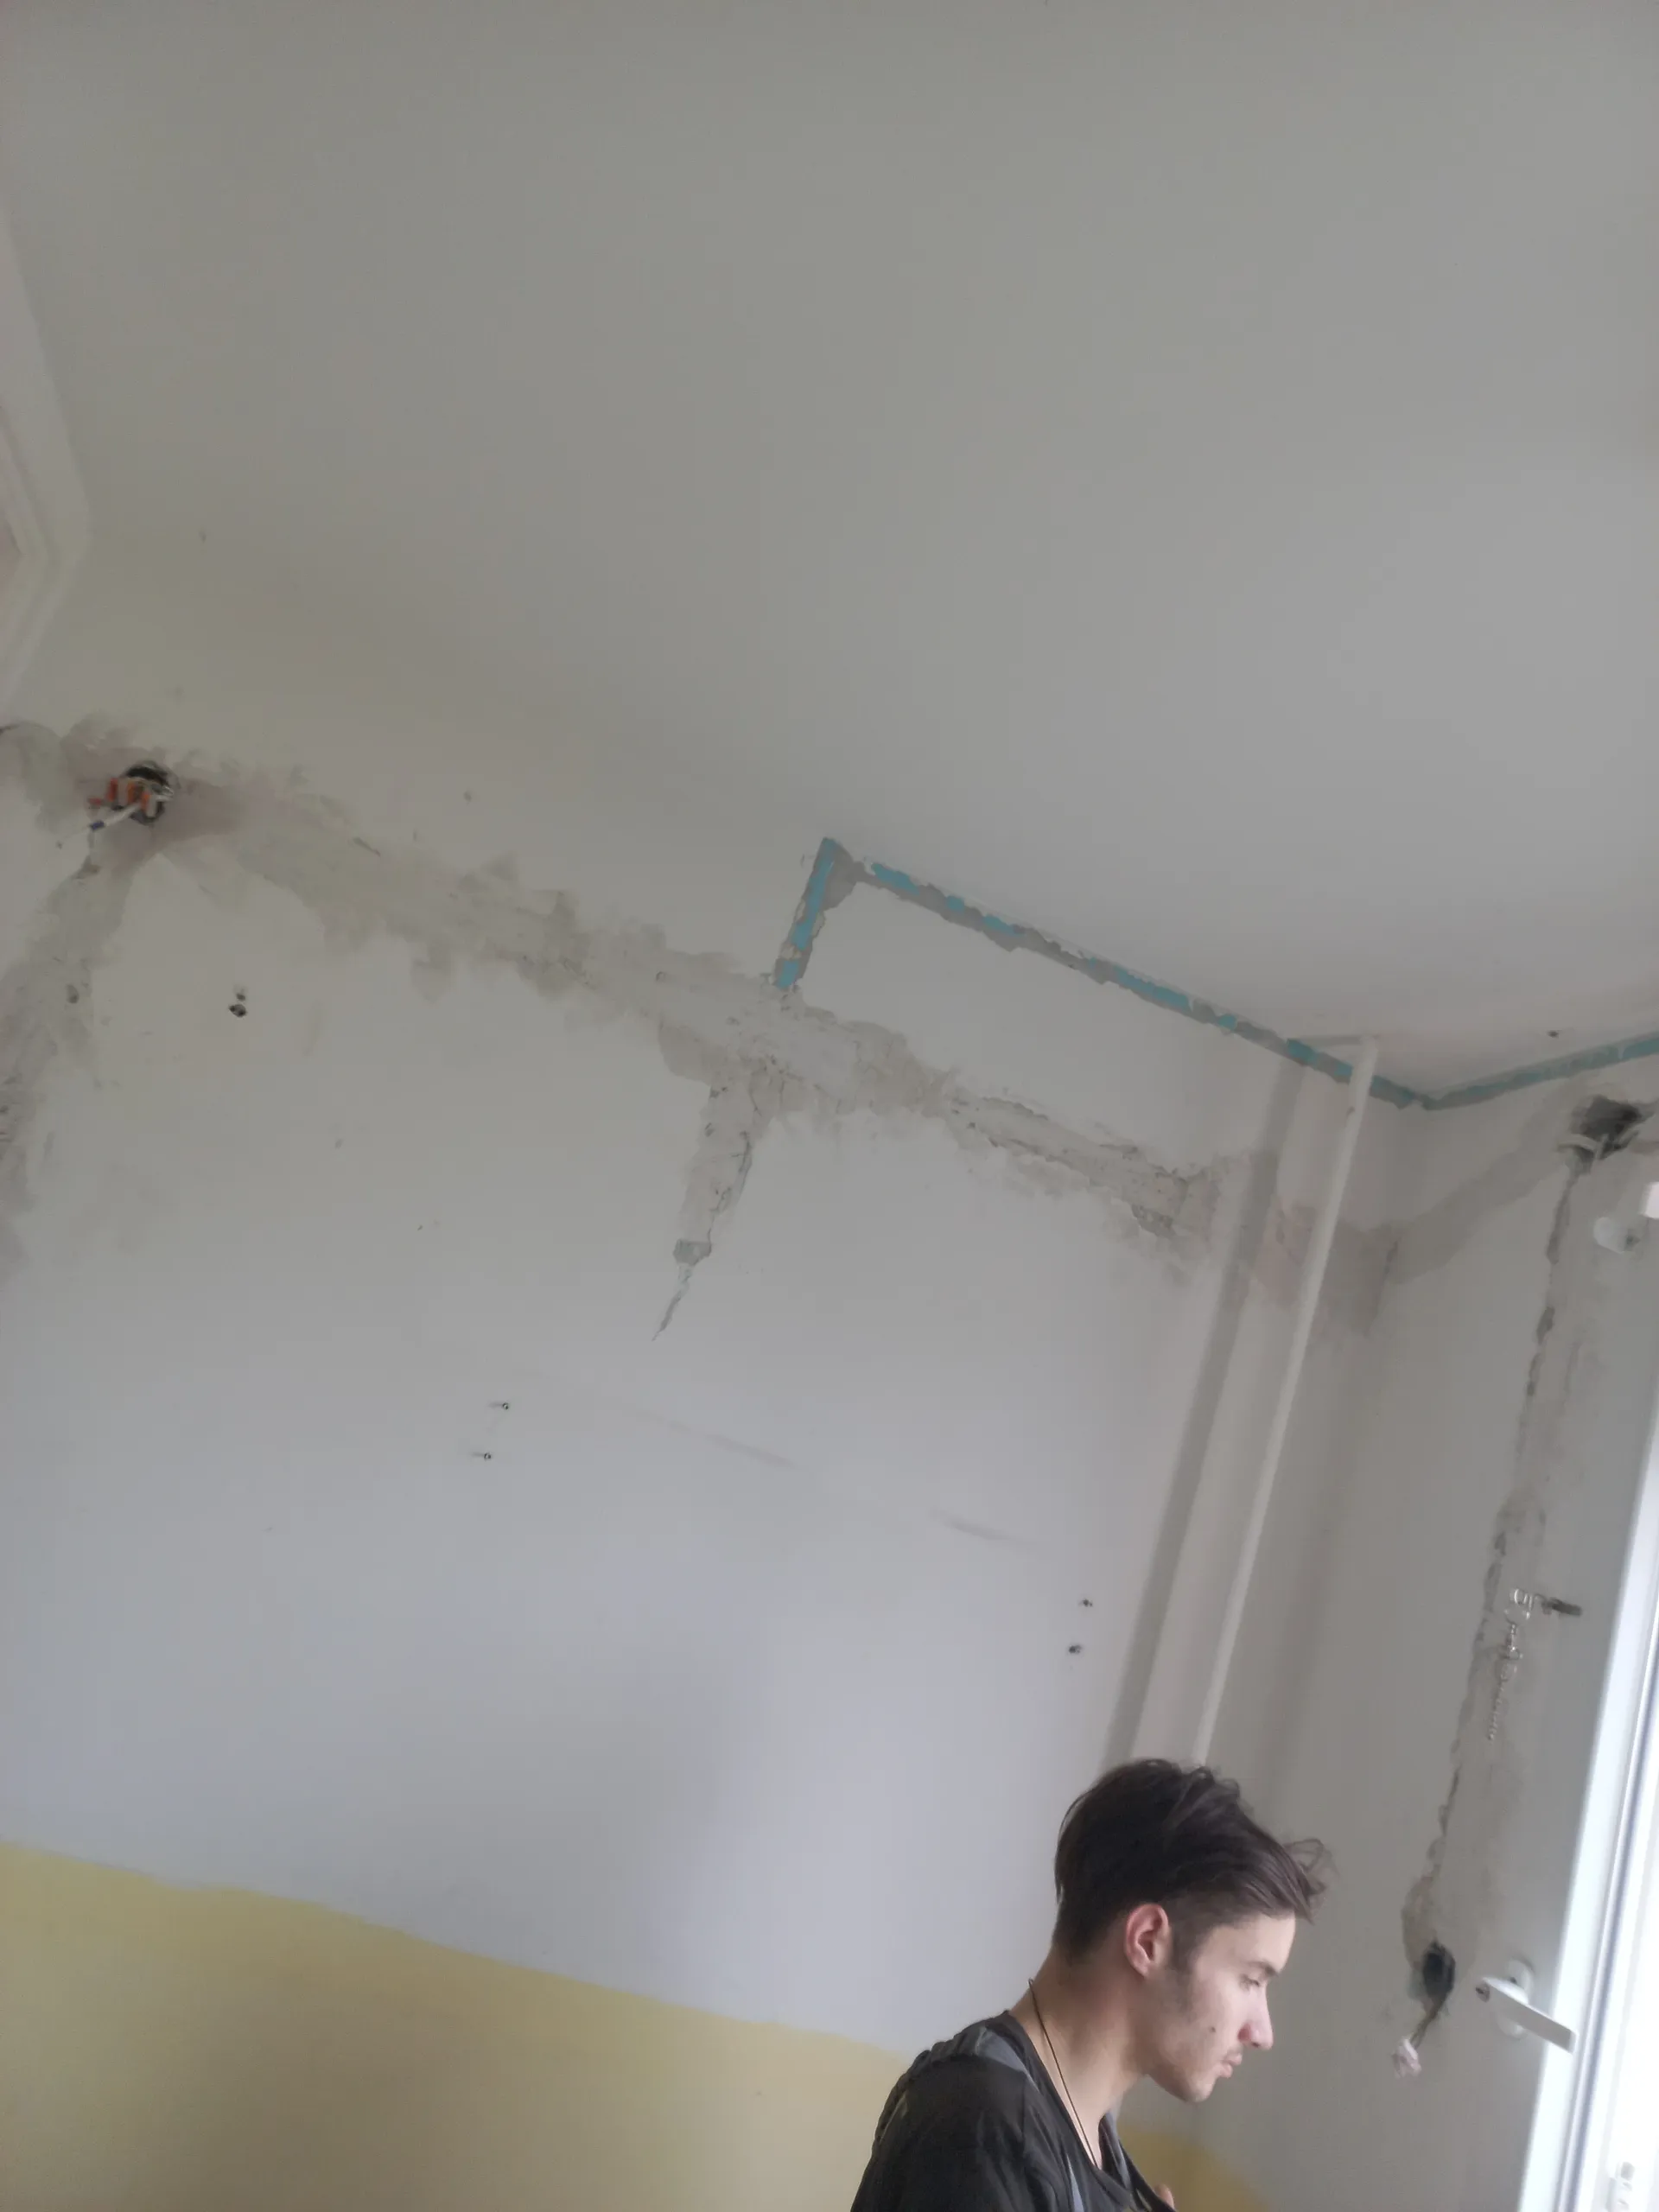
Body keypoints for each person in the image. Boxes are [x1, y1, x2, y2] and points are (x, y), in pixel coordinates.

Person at [850, 1760, 1326, 2212]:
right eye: (1250, 1979)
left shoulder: (1082, 2137)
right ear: (1148, 1941)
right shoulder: (982, 2136)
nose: (1262, 2032)